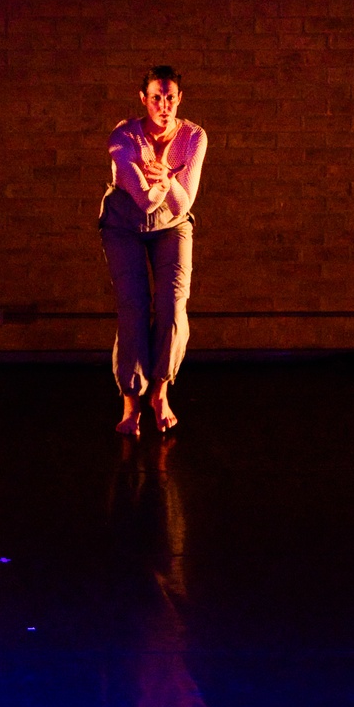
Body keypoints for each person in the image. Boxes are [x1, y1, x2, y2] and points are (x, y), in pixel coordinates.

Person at [101, 66, 207, 436]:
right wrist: (163, 182)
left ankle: (160, 393)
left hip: (172, 224)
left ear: (180, 99)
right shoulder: (123, 137)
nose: (164, 105)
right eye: (156, 98)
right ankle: (131, 403)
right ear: (143, 99)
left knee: (173, 305)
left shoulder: (193, 136)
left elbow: (182, 205)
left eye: (170, 98)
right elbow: (145, 202)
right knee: (133, 307)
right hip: (125, 220)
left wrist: (163, 180)